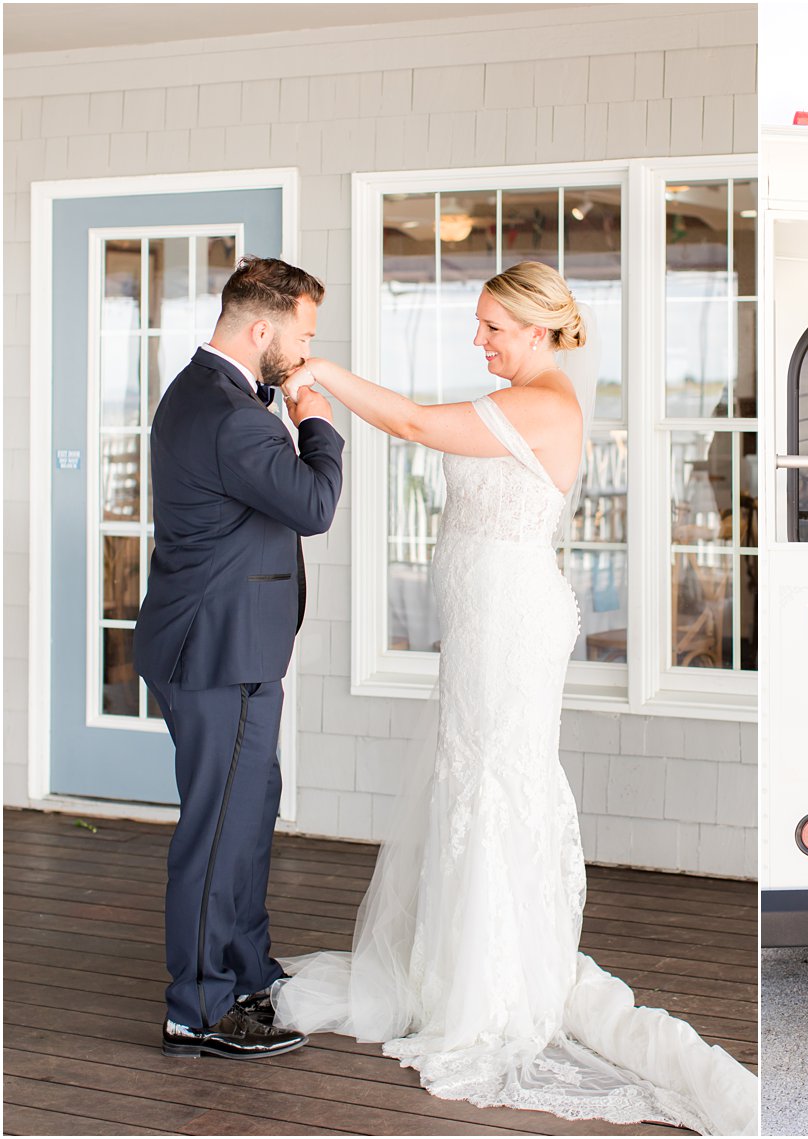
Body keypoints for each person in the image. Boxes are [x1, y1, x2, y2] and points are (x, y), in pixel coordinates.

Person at [270, 261, 757, 1135]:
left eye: (493, 325)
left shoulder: (548, 404)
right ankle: (461, 958)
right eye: (479, 322)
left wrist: (322, 374)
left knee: (494, 780)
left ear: (537, 329)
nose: (479, 339)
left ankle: (493, 983)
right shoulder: (524, 395)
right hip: (484, 616)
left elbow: (417, 421)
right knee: (469, 780)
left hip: (513, 621)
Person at [134, 256, 343, 1060]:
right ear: (263, 328)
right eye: (304, 334)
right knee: (217, 830)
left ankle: (245, 968)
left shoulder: (203, 391)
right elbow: (314, 502)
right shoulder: (231, 414)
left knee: (247, 817)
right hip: (218, 649)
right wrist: (316, 416)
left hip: (233, 645)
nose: (304, 351)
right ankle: (197, 1007)